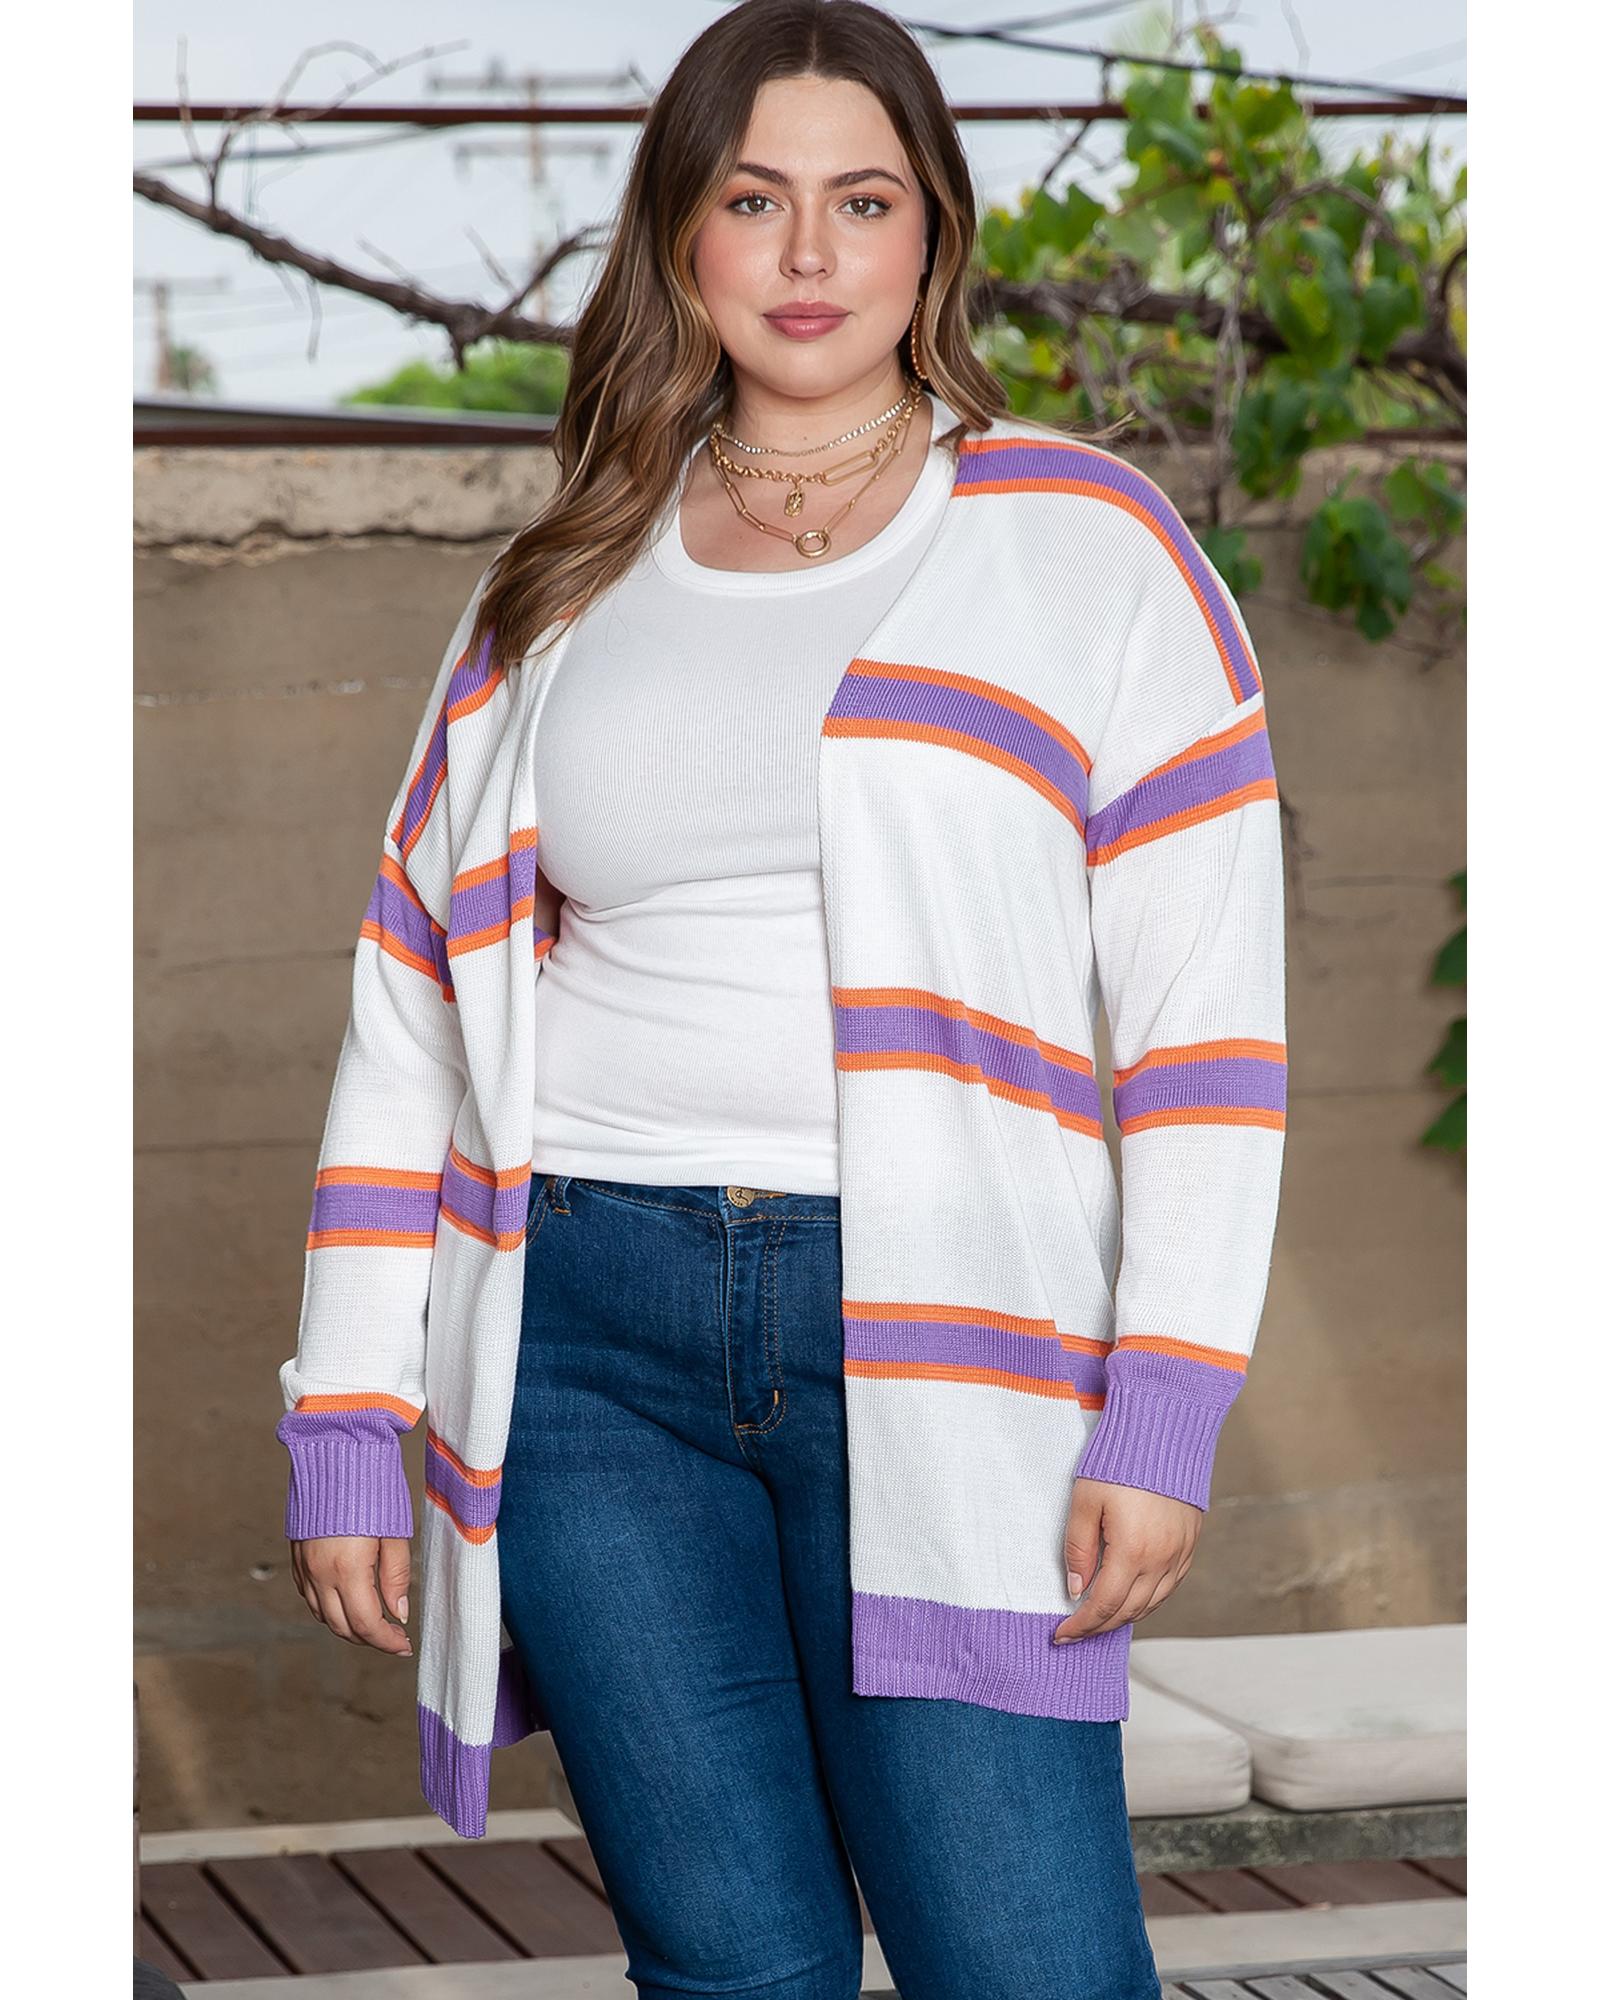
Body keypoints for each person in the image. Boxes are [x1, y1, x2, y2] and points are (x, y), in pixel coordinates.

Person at [275, 4, 1287, 1997]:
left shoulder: (1083, 548)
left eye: (863, 201)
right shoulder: (564, 581)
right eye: (754, 201)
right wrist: (348, 1414)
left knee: (1027, 1963)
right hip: (582, 1342)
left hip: (944, 1331)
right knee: (728, 1963)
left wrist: (1161, 1407)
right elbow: (411, 1021)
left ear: (936, 235)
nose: (809, 254)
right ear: (682, 235)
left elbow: (1203, 1021)